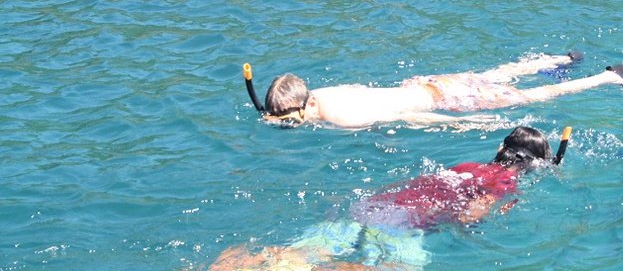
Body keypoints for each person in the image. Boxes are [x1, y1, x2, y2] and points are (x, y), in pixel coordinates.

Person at [210, 126, 565, 271]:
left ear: (501, 148)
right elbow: (470, 215)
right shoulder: (505, 182)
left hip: (376, 205)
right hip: (404, 226)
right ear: (532, 165)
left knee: (297, 254)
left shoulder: (469, 165)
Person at [244, 51, 623, 128]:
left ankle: (608, 77)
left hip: (443, 99)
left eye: (292, 120)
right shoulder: (325, 93)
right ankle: (559, 59)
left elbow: (408, 117)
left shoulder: (342, 118)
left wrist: (459, 126)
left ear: (305, 105)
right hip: (426, 83)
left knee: (532, 97)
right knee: (495, 74)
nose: (291, 125)